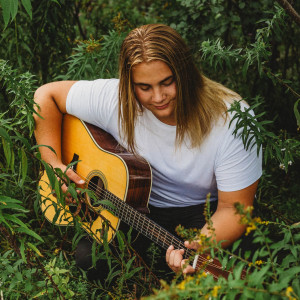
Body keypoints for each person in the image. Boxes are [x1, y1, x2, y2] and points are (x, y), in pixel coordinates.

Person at [33, 24, 262, 277]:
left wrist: (199, 247)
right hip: (132, 202)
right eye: (144, 87)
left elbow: (233, 209)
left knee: (230, 266)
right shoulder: (115, 99)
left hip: (204, 212)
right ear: (130, 84)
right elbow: (46, 96)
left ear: (185, 73)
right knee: (90, 259)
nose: (158, 97)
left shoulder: (231, 119)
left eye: (167, 82)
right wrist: (53, 163)